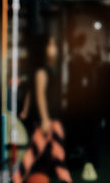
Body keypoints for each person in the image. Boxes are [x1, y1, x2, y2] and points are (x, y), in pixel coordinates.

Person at [15, 34, 72, 183]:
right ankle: (16, 179)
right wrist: (45, 120)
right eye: (51, 44)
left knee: (58, 157)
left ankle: (16, 179)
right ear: (44, 48)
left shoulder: (45, 69)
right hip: (48, 121)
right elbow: (38, 95)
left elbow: (30, 92)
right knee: (32, 158)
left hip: (50, 120)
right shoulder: (41, 71)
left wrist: (25, 111)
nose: (54, 48)